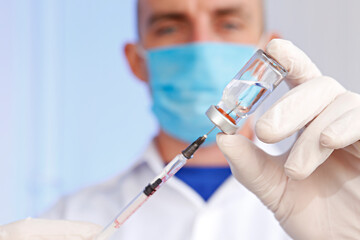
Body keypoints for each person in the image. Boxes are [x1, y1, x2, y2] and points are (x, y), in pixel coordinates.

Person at [3, 0, 360, 239]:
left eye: (229, 23)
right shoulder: (71, 216)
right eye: (170, 28)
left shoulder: (339, 195)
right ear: (137, 61)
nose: (201, 45)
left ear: (269, 54)